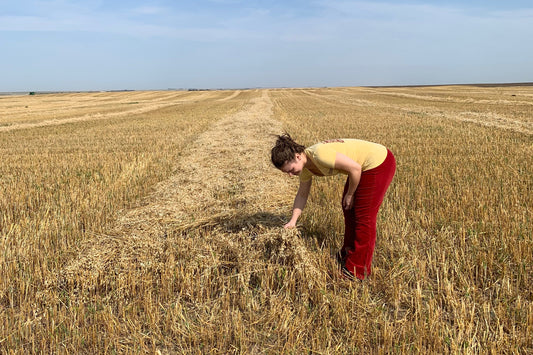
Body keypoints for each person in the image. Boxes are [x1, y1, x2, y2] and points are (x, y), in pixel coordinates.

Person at [271, 133, 396, 280]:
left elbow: (355, 169)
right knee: (348, 209)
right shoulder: (304, 168)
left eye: (290, 170)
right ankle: (349, 253)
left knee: (364, 217)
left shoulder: (319, 155)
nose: (291, 175)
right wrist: (293, 221)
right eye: (287, 173)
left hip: (378, 162)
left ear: (298, 156)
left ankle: (357, 271)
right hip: (362, 167)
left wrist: (350, 194)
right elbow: (302, 195)